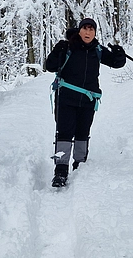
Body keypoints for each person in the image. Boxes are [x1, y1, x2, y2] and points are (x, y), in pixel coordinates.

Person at [44, 18, 127, 187]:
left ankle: (79, 165)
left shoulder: (97, 49)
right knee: (64, 134)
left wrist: (120, 54)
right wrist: (55, 52)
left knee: (83, 133)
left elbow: (116, 63)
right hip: (66, 98)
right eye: (85, 29)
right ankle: (60, 170)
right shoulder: (67, 47)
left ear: (95, 33)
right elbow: (50, 66)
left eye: (91, 29)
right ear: (79, 30)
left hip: (88, 100)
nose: (88, 32)